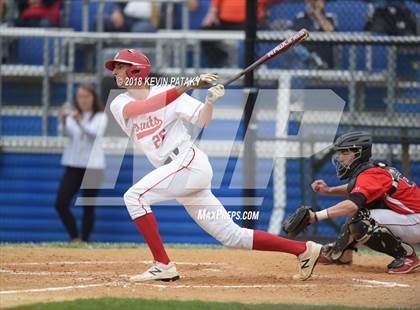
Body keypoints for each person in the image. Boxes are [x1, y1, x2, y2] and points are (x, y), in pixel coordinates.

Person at [105, 48, 322, 282]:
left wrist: (209, 102)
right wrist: (186, 86)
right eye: (115, 67)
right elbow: (144, 108)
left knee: (134, 197)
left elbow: (203, 121)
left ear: (136, 70)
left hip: (187, 162)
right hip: (177, 172)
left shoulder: (168, 93)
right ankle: (303, 250)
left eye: (120, 66)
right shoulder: (120, 103)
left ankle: (163, 264)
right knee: (232, 236)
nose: (115, 71)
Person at [309, 131, 420, 274]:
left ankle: (407, 257)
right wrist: (329, 190)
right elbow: (355, 189)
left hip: (416, 220)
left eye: (345, 153)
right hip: (410, 218)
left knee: (362, 219)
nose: (340, 158)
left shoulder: (371, 173)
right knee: (362, 210)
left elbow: (351, 205)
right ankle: (342, 254)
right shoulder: (372, 169)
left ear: (359, 153)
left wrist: (316, 216)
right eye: (340, 153)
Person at [55, 84, 108, 242]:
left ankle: (85, 240)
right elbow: (66, 134)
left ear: (93, 98)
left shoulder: (101, 116)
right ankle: (74, 237)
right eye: (80, 97)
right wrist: (64, 120)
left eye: (86, 96)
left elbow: (93, 134)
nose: (83, 100)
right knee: (61, 203)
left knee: (88, 207)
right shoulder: (73, 115)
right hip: (73, 165)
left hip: (93, 167)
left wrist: (79, 122)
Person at [200, 0, 267, 67]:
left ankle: (249, 69)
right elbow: (215, 4)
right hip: (224, 22)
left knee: (249, 42)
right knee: (204, 33)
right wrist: (212, 12)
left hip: (248, 23)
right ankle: (223, 63)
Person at [287, 0, 337, 69]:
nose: (312, 5)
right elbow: (292, 38)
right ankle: (311, 58)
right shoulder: (300, 18)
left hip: (323, 61)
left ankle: (314, 60)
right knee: (290, 46)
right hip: (303, 60)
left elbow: (330, 31)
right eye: (310, 3)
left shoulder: (329, 17)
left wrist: (317, 14)